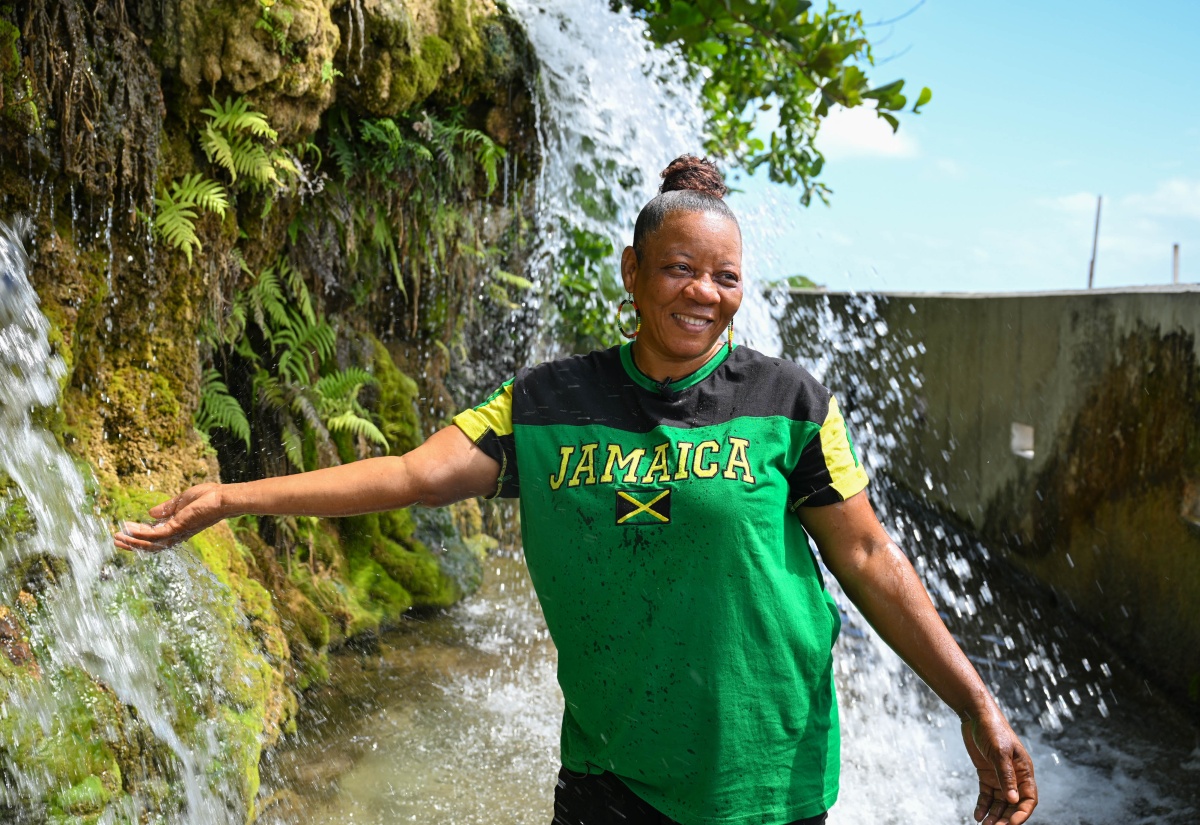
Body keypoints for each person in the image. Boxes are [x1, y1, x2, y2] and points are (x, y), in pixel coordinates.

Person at [116, 155, 1037, 825]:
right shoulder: (550, 402)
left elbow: (869, 557)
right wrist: (234, 497)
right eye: (680, 268)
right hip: (610, 773)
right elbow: (407, 475)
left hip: (762, 775)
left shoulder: (786, 401)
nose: (704, 293)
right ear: (632, 273)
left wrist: (975, 703)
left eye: (725, 277)